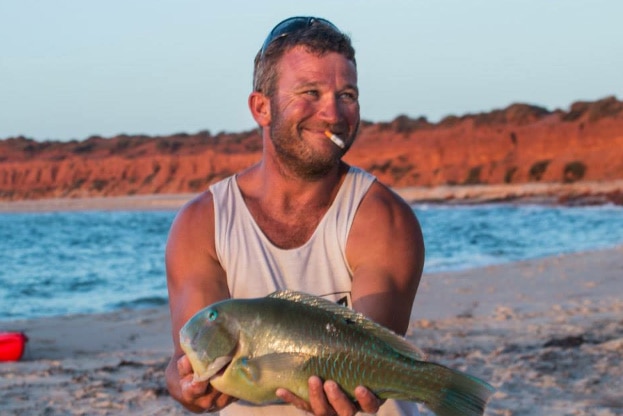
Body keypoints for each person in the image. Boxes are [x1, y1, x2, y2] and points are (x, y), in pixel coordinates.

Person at [165, 16, 425, 416]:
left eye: (348, 95)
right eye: (310, 92)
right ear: (261, 107)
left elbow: (370, 354)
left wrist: (344, 388)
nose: (333, 114)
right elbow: (190, 355)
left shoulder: (383, 219)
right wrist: (183, 385)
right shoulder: (202, 224)